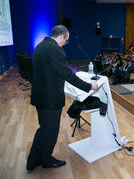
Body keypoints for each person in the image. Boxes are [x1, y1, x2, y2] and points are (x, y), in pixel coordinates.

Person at [27, 25, 98, 171]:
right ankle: (46, 160)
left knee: (44, 129)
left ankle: (33, 159)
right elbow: (67, 74)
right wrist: (89, 86)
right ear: (61, 37)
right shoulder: (56, 50)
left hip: (40, 96)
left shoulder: (40, 46)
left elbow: (50, 70)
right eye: (66, 41)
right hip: (50, 98)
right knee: (50, 131)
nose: (65, 43)